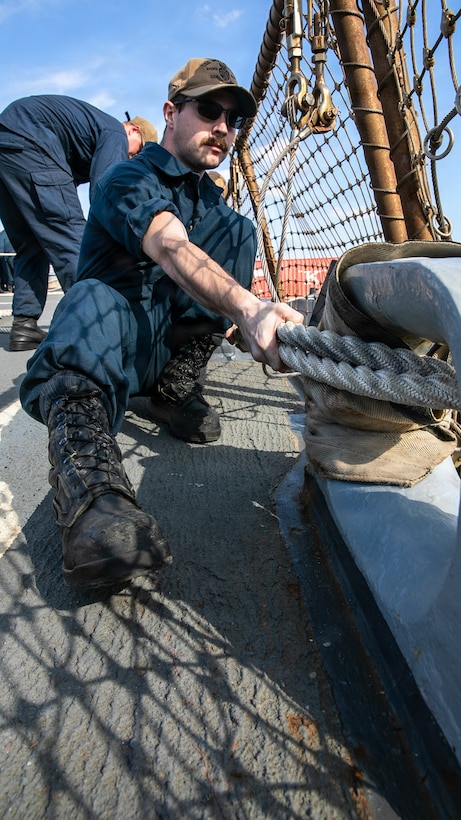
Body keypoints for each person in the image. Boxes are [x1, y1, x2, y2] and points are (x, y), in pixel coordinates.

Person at [20, 57, 303, 592]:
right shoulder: (127, 177)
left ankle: (175, 391)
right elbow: (169, 245)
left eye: (232, 118)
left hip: (165, 350)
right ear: (171, 113)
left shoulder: (217, 207)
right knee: (88, 300)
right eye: (209, 109)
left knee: (239, 231)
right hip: (108, 347)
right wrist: (249, 308)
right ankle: (93, 499)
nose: (223, 126)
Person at [0, 95, 157, 351]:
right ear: (134, 130)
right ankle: (95, 324)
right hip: (32, 139)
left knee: (31, 244)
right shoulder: (115, 132)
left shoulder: (87, 130)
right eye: (137, 151)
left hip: (8, 144)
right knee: (72, 236)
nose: (132, 158)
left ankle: (24, 326)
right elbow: (105, 192)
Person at [0, 227, 14, 292]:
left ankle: (8, 285)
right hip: (10, 253)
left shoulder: (3, 234)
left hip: (4, 254)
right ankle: (11, 285)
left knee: (6, 271)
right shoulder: (10, 233)